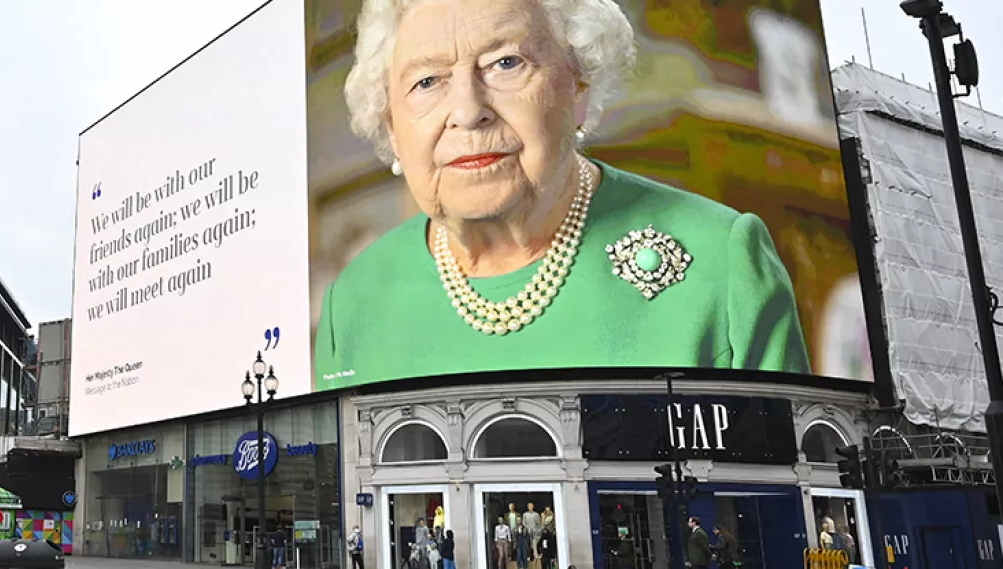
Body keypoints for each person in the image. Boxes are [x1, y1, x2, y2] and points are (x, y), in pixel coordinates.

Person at [314, 0, 809, 388]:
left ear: (578, 84)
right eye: (427, 81)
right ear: (393, 128)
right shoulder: (354, 303)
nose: (467, 110)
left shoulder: (722, 260)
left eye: (505, 63)